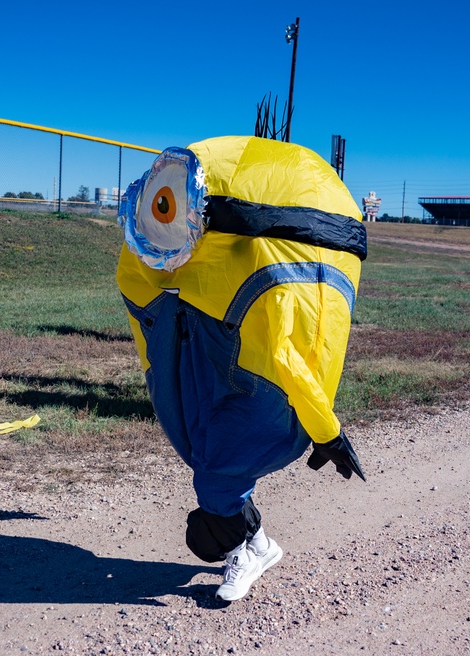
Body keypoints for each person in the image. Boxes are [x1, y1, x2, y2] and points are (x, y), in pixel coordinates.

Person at [117, 136, 365, 603]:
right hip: (216, 347)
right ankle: (259, 545)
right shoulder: (203, 269)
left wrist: (326, 430)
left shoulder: (268, 277)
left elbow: (288, 355)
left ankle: (240, 550)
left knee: (213, 492)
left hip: (262, 385)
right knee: (212, 456)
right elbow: (142, 279)